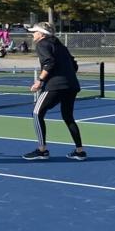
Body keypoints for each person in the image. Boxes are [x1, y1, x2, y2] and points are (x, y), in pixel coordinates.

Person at [22, 22, 86, 161]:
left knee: (36, 113)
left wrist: (39, 81)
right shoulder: (60, 46)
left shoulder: (42, 44)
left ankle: (42, 150)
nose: (32, 34)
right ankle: (80, 151)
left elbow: (49, 63)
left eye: (34, 32)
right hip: (72, 86)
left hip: (55, 86)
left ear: (42, 34)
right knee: (68, 117)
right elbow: (74, 65)